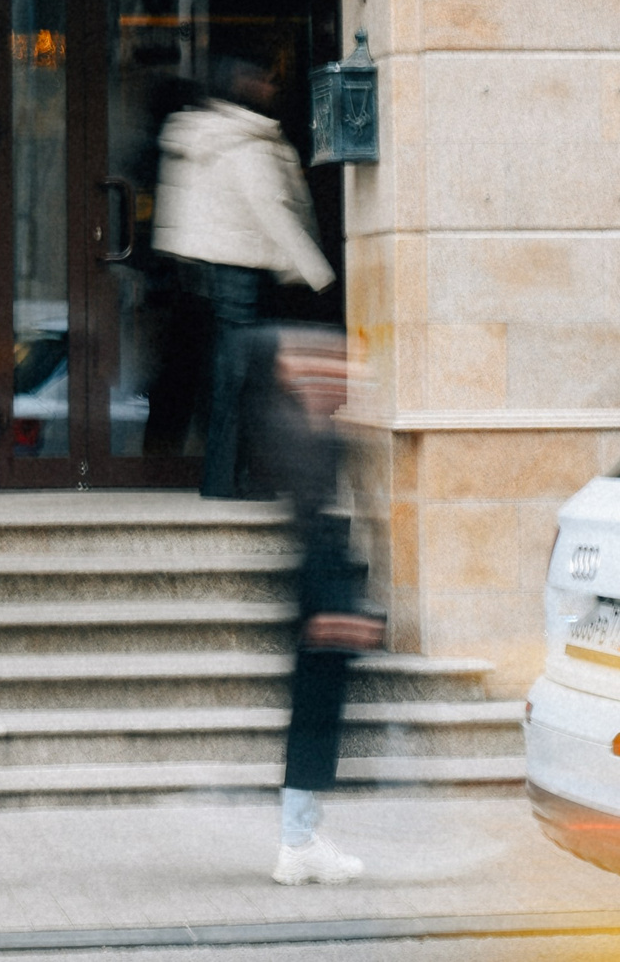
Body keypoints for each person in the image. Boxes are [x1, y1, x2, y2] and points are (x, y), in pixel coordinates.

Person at [153, 58, 335, 499]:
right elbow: (272, 211)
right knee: (242, 375)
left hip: (222, 267)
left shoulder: (210, 134)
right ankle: (230, 480)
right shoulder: (245, 143)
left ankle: (231, 477)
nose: (273, 85)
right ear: (243, 83)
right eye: (265, 77)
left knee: (238, 372)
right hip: (244, 267)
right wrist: (319, 274)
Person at [257, 324, 384, 885]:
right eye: (333, 369)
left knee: (319, 716)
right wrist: (335, 607)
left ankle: (302, 835)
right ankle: (298, 841)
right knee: (314, 717)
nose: (345, 378)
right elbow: (316, 526)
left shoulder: (317, 432)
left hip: (325, 586)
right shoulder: (296, 433)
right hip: (319, 587)